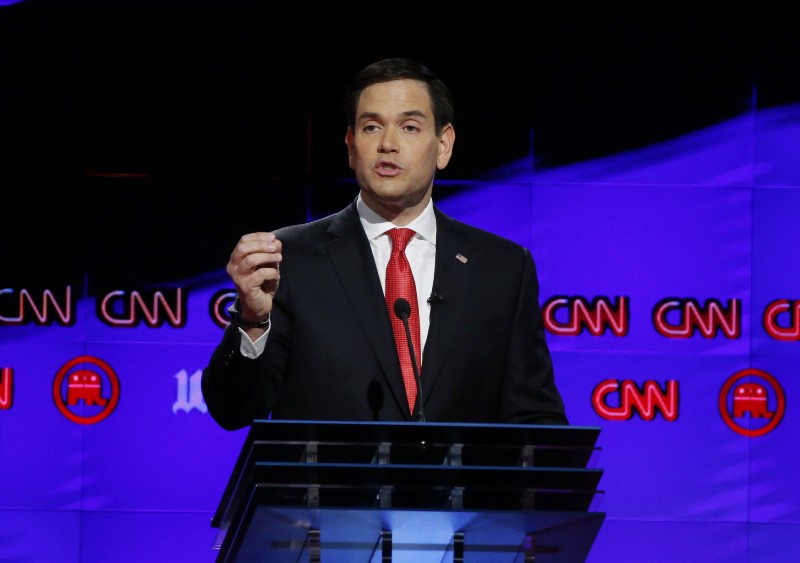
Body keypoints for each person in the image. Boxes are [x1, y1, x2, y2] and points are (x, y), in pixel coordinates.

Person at [201, 57, 568, 430]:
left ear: (443, 145)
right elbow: (232, 409)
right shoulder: (288, 258)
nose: (388, 145)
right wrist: (252, 322)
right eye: (372, 127)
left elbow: (536, 417)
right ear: (350, 145)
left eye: (409, 127)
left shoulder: (501, 267)